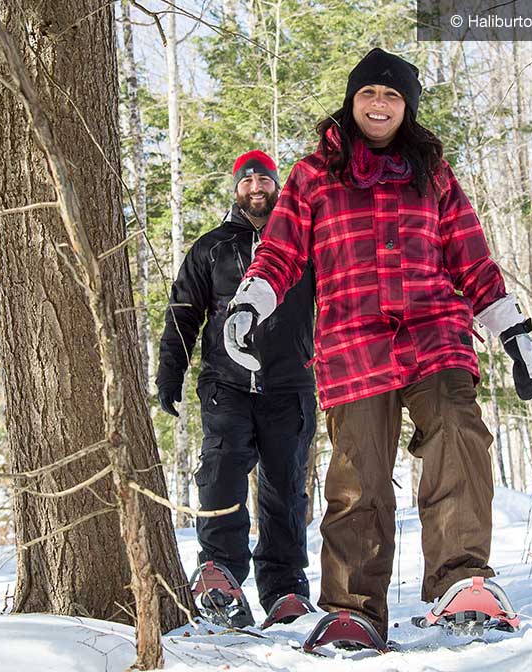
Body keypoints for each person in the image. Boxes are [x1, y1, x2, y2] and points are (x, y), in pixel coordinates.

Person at [223, 48, 532, 643]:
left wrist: (512, 328)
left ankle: (463, 581)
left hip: (435, 333)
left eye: (392, 95)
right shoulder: (312, 175)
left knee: (458, 428)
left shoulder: (432, 172)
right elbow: (281, 253)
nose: (379, 104)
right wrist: (249, 304)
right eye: (369, 93)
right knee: (357, 475)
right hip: (352, 346)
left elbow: (470, 257)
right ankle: (353, 609)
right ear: (352, 101)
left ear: (407, 107)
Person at [156, 150, 317, 625]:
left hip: (290, 387)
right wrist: (171, 372)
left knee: (285, 490)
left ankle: (285, 590)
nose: (255, 187)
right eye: (246, 180)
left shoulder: (303, 247)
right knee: (222, 476)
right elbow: (184, 314)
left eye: (264, 179)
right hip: (226, 385)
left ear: (276, 187)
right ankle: (221, 577)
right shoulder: (211, 248)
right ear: (236, 188)